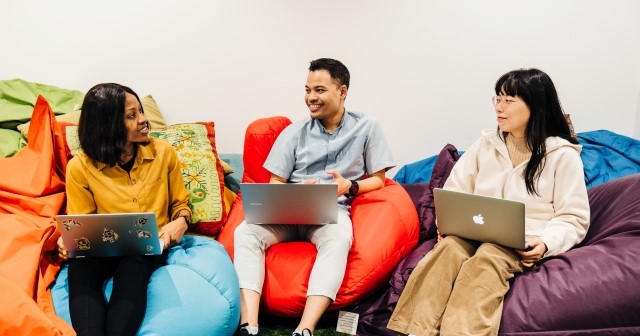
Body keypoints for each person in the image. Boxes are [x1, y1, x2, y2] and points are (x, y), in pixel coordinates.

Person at [387, 68, 590, 336]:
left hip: (522, 241)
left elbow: (573, 217)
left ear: (536, 105)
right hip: (473, 231)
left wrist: (546, 243)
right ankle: (414, 331)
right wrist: (446, 223)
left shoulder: (561, 155)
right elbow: (455, 191)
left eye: (509, 100)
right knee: (448, 250)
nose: (499, 107)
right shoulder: (485, 145)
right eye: (498, 99)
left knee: (487, 259)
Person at [234, 58, 395, 336]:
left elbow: (379, 180)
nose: (310, 98)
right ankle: (249, 325)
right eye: (307, 90)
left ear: (342, 91)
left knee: (339, 238)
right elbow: (276, 181)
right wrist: (293, 194)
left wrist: (349, 187)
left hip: (332, 210)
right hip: (288, 212)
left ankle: (305, 328)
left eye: (319, 90)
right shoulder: (293, 132)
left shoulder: (367, 127)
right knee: (245, 232)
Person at [55, 83, 192, 336]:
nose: (143, 120)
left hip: (148, 245)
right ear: (107, 124)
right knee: (80, 270)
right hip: (102, 246)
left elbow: (180, 205)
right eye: (132, 115)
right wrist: (70, 241)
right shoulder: (80, 167)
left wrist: (181, 221)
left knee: (133, 267)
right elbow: (82, 221)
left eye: (140, 111)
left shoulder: (163, 153)